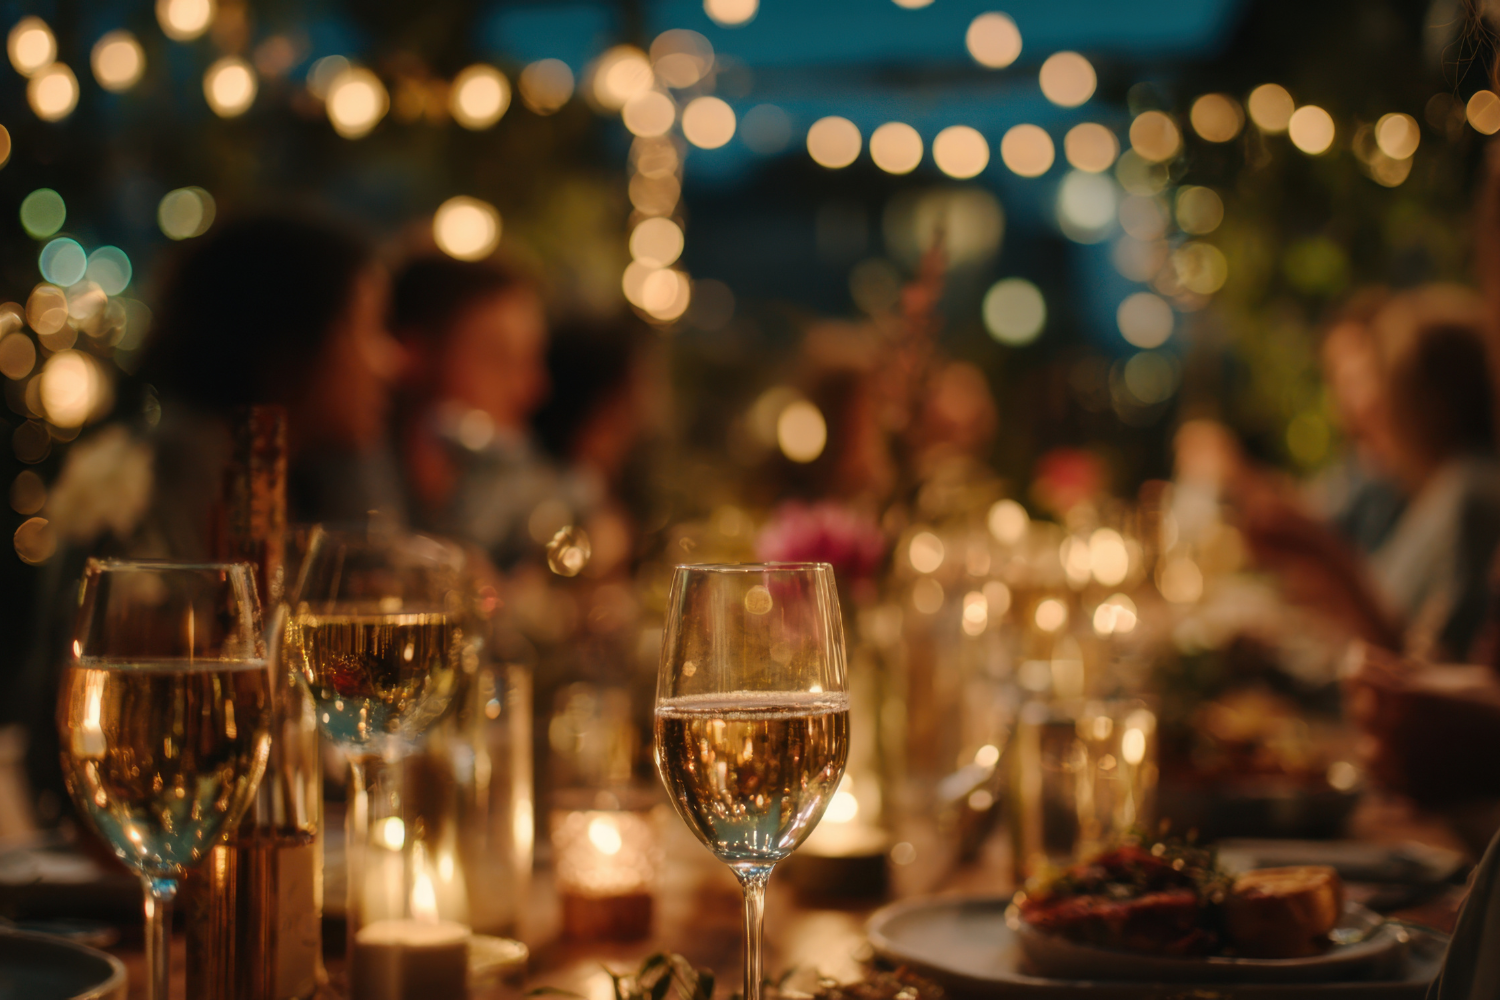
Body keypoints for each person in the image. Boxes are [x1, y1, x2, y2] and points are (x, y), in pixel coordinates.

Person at [15, 210, 406, 821]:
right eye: (366, 327)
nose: (390, 362)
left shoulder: (306, 484)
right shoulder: (164, 486)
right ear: (289, 344)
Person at [391, 254, 572, 569]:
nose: (531, 391)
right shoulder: (358, 499)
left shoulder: (503, 487)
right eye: (499, 359)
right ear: (413, 357)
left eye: (532, 360)